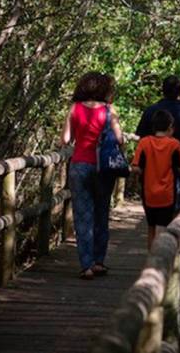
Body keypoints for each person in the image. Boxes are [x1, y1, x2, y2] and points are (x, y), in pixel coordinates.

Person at [61, 72, 123, 279]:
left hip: (79, 165)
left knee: (82, 216)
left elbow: (65, 139)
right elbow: (120, 140)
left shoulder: (74, 109)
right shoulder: (109, 111)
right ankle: (98, 261)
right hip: (103, 169)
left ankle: (86, 265)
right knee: (101, 213)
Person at [135, 75, 180, 210]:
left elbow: (142, 143)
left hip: (152, 173)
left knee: (155, 215)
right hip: (179, 172)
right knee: (178, 214)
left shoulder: (150, 111)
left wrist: (140, 169)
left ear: (163, 90)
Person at [130, 110, 180, 249]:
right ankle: (159, 264)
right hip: (167, 194)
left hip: (148, 193)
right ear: (170, 127)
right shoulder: (174, 144)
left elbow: (137, 167)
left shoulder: (144, 143)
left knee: (151, 228)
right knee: (163, 229)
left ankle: (151, 258)